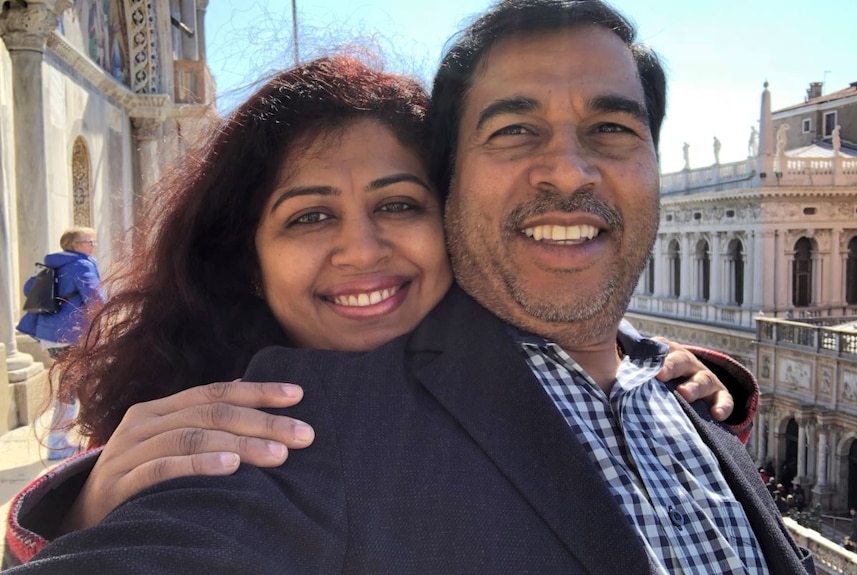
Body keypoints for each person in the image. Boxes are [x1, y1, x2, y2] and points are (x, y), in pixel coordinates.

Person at [5, 2, 804, 573]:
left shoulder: (673, 393)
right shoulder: (299, 424)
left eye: (397, 204)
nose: (364, 250)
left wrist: (694, 376)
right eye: (515, 129)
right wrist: (83, 506)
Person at [15, 227, 105, 460]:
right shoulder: (82, 264)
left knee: (75, 383)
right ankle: (59, 442)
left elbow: (28, 288)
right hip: (72, 335)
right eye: (89, 241)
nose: (93, 246)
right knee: (75, 385)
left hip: (50, 336)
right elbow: (96, 298)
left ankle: (77, 438)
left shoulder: (53, 264)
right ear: (75, 244)